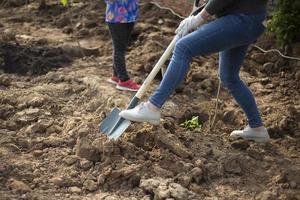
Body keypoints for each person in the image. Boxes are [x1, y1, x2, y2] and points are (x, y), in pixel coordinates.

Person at [119, 0, 271, 142]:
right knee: (229, 76)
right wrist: (199, 13)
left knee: (183, 48)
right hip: (251, 20)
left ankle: (152, 107)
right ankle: (257, 128)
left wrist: (201, 17)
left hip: (242, 19)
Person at [105, 0, 140, 92]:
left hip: (130, 16)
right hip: (117, 17)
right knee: (119, 49)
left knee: (121, 48)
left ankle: (116, 76)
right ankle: (124, 80)